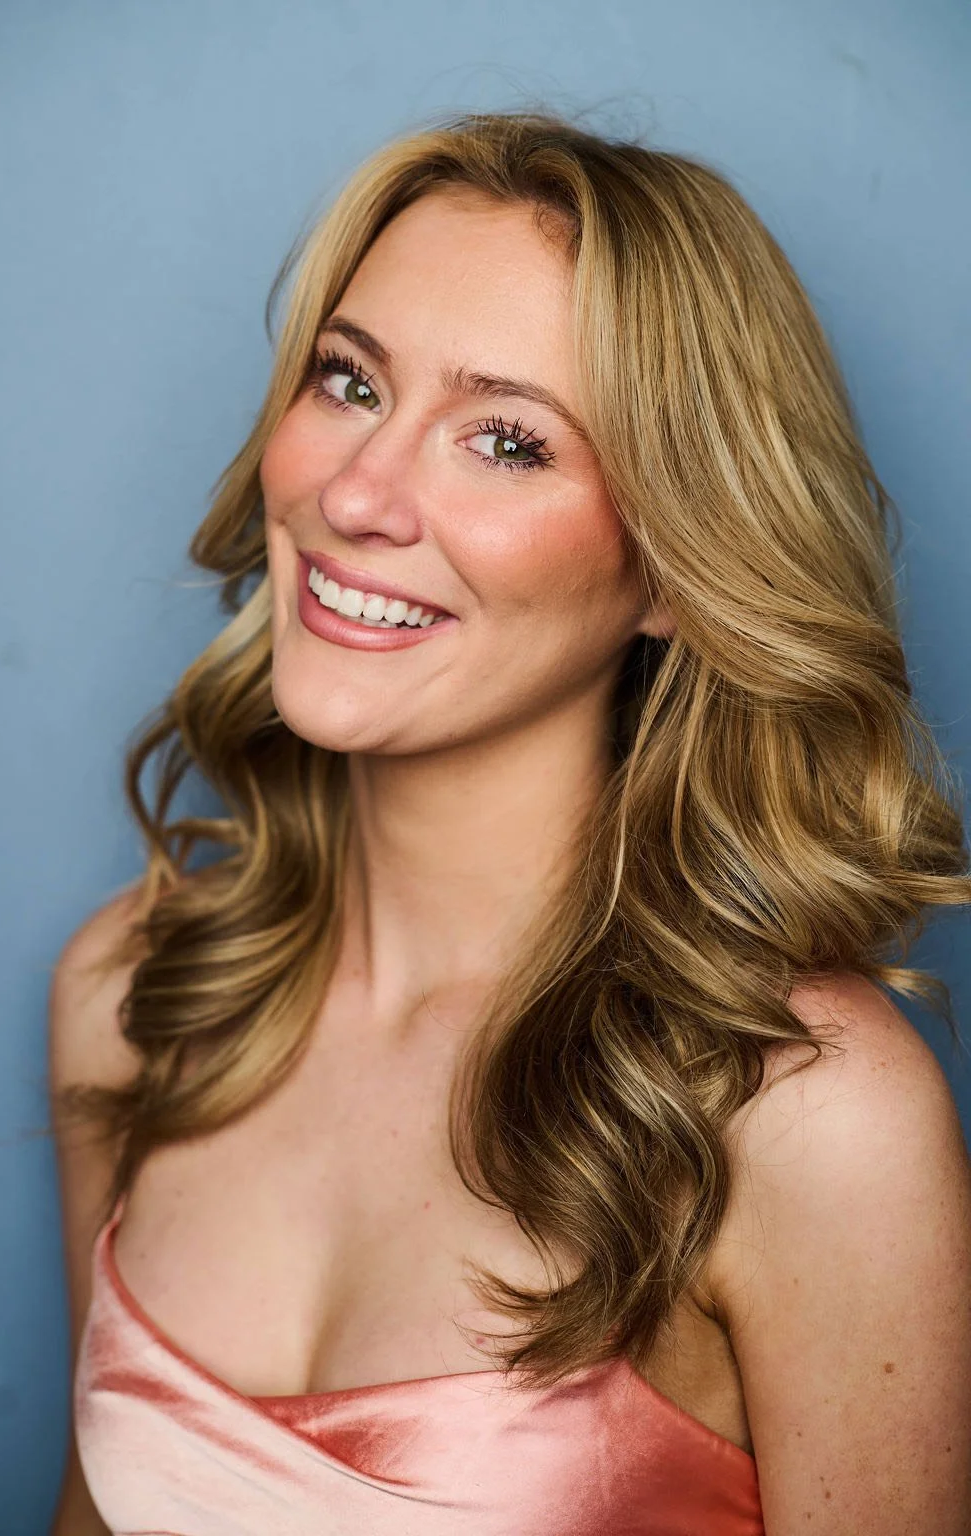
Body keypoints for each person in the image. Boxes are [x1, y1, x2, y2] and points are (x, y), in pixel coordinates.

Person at [49, 112, 971, 1535]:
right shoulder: (140, 993)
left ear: (674, 567)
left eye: (504, 439)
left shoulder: (800, 1114)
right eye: (349, 382)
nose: (356, 495)